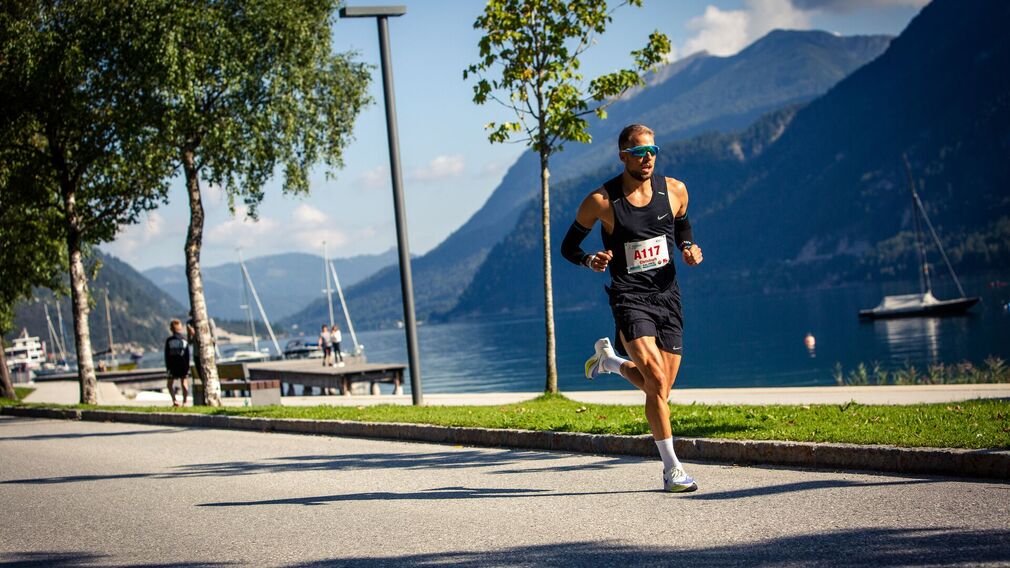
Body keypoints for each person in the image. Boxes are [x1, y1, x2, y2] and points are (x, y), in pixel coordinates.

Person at [560, 123, 704, 493]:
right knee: (656, 380)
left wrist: (688, 248)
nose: (648, 158)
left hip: (668, 296)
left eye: (653, 151)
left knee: (661, 389)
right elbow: (568, 247)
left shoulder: (675, 190)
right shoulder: (601, 201)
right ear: (624, 156)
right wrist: (589, 259)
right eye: (640, 153)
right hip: (629, 298)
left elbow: (683, 226)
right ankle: (672, 470)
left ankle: (610, 363)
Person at [164, 319, 191, 407]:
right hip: (183, 365)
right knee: (184, 383)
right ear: (180, 328)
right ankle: (185, 401)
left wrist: (168, 367)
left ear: (171, 329)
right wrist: (187, 367)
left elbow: (167, 355)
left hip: (172, 365)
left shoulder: (169, 341)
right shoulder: (184, 340)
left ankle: (174, 400)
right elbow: (187, 355)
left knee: (169, 384)